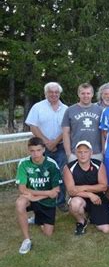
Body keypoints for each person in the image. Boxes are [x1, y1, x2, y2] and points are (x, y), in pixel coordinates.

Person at [25, 82, 68, 212]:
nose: (54, 94)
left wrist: (55, 142)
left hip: (60, 147)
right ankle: (43, 201)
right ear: (46, 93)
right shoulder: (37, 107)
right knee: (41, 175)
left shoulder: (66, 109)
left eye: (56, 92)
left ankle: (60, 202)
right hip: (42, 148)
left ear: (60, 93)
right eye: (51, 92)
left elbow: (66, 128)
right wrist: (47, 143)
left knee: (61, 174)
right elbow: (33, 126)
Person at [15, 137, 62, 254]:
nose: (35, 154)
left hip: (46, 200)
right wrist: (46, 193)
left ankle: (37, 218)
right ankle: (26, 240)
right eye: (32, 151)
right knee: (20, 203)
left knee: (48, 233)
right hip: (31, 197)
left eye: (38, 150)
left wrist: (37, 196)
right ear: (28, 150)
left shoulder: (51, 164)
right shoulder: (24, 163)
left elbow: (56, 191)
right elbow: (22, 189)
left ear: (44, 149)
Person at [63, 141, 109, 235]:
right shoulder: (69, 168)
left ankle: (92, 215)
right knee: (75, 203)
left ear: (91, 153)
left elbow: (103, 187)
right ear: (76, 153)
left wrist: (82, 187)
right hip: (80, 197)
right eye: (80, 152)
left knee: (107, 229)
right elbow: (71, 191)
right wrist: (89, 194)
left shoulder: (99, 165)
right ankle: (81, 221)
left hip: (98, 198)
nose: (82, 154)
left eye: (85, 152)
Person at [62, 83, 103, 163]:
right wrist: (68, 153)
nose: (85, 96)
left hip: (96, 153)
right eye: (83, 93)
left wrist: (103, 151)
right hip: (76, 153)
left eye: (88, 93)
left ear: (92, 94)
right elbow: (65, 132)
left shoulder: (100, 111)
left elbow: (103, 132)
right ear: (78, 94)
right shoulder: (70, 110)